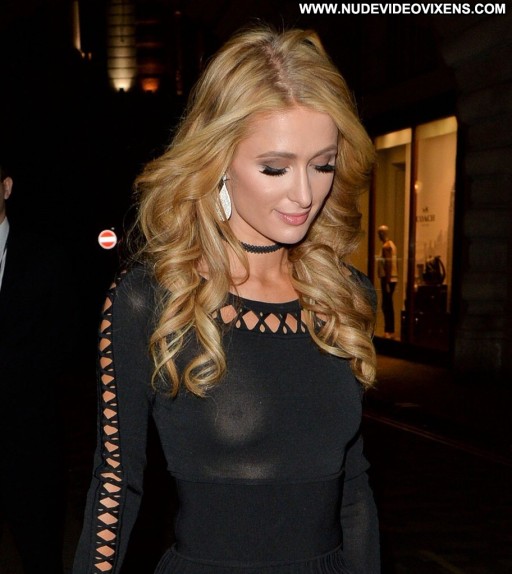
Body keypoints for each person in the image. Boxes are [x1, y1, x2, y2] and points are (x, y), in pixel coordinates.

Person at [73, 25, 380, 574]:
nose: (304, 194)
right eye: (275, 167)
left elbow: (354, 488)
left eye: (323, 164)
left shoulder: (346, 296)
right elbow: (117, 483)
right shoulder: (151, 299)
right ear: (218, 159)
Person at [0, 158, 68, 573]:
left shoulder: (45, 257)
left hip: (28, 448)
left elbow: (62, 347)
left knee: (40, 556)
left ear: (6, 187)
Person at [377, 225, 398, 338]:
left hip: (387, 279)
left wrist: (388, 282)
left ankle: (389, 330)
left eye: (379, 233)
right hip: (391, 278)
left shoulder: (386, 247)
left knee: (386, 305)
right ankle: (390, 329)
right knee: (388, 305)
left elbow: (388, 264)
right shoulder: (391, 245)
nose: (378, 236)